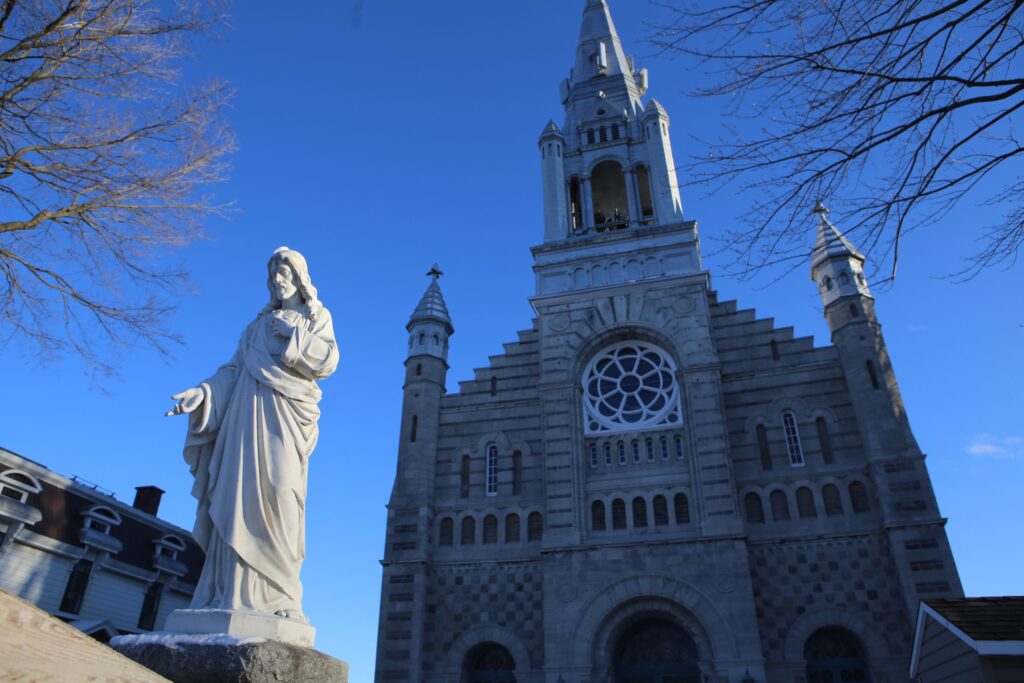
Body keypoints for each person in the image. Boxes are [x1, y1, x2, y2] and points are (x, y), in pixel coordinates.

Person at [165, 247, 338, 621]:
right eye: (274, 273)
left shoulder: (314, 316)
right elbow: (232, 370)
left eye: (286, 272)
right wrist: (205, 392)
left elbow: (328, 360)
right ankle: (227, 594)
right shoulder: (255, 328)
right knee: (236, 495)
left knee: (281, 491)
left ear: (299, 276)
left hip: (286, 418)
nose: (279, 278)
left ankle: (279, 594)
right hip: (245, 419)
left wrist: (295, 336)